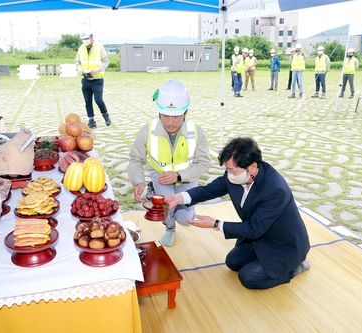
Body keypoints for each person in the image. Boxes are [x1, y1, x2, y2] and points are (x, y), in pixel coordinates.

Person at [164, 137, 311, 289]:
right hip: (258, 239)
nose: (228, 174)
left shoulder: (274, 189)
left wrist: (215, 224)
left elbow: (254, 229)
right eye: (227, 169)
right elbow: (209, 190)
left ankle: (294, 269)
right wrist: (178, 198)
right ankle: (263, 261)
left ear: (252, 167)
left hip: (283, 245)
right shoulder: (236, 176)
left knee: (248, 277)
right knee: (233, 262)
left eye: (232, 170)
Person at [128, 79, 211, 247]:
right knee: (164, 209)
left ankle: (184, 210)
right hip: (160, 176)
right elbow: (136, 159)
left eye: (176, 116)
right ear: (159, 112)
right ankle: (170, 228)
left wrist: (180, 176)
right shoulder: (146, 131)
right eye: (166, 115)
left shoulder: (197, 132)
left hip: (187, 176)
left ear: (186, 113)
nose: (171, 122)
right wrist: (138, 181)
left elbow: (204, 164)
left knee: (186, 220)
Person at [75, 32, 111, 129]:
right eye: (83, 39)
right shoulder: (81, 48)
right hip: (85, 79)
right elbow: (77, 62)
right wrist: (79, 69)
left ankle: (105, 115)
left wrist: (97, 70)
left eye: (86, 38)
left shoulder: (99, 47)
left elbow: (106, 61)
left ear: (91, 37)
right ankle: (91, 120)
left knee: (98, 100)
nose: (85, 40)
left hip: (97, 79)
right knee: (88, 101)